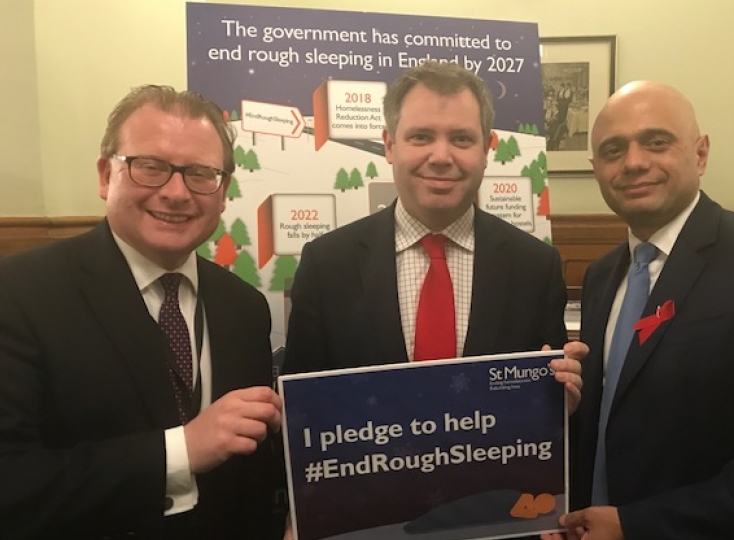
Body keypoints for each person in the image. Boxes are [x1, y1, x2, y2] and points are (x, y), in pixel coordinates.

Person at [282, 61, 585, 538]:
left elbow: (543, 417)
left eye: (461, 139)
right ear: (389, 144)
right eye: (421, 136)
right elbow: (301, 414)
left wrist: (560, 398)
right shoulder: (327, 264)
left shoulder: (536, 267)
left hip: (494, 523)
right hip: (365, 522)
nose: (441, 156)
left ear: (487, 150)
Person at [548, 81, 734, 540]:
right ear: (596, 168)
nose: (634, 162)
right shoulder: (601, 277)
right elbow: (624, 421)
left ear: (699, 154)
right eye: (613, 150)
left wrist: (637, 526)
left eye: (657, 142)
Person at [0, 85, 284, 539]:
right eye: (150, 167)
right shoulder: (18, 294)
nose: (176, 192)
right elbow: (11, 485)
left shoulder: (244, 306)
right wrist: (181, 451)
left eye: (200, 173)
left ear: (223, 190)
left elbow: (246, 473)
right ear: (104, 175)